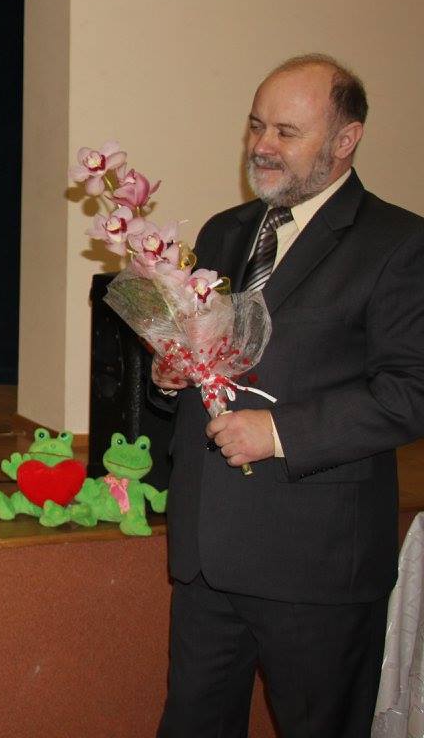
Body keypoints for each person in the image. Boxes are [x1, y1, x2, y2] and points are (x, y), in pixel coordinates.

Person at [152, 55, 424, 737]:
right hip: (208, 556)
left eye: (286, 132)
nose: (262, 146)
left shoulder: (401, 244)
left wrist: (278, 433)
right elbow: (211, 360)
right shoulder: (224, 231)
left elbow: (411, 392)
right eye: (256, 126)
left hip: (316, 566)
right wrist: (170, 376)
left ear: (346, 139)